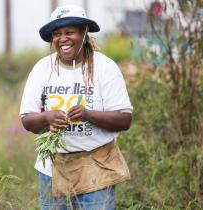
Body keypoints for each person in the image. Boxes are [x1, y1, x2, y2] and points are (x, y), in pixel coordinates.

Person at [19, 4, 133, 210]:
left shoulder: (105, 68)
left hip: (97, 167)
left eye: (69, 32)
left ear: (84, 34)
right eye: (57, 34)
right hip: (52, 169)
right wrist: (47, 118)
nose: (62, 38)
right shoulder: (42, 69)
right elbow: (27, 120)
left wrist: (88, 114)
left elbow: (124, 120)